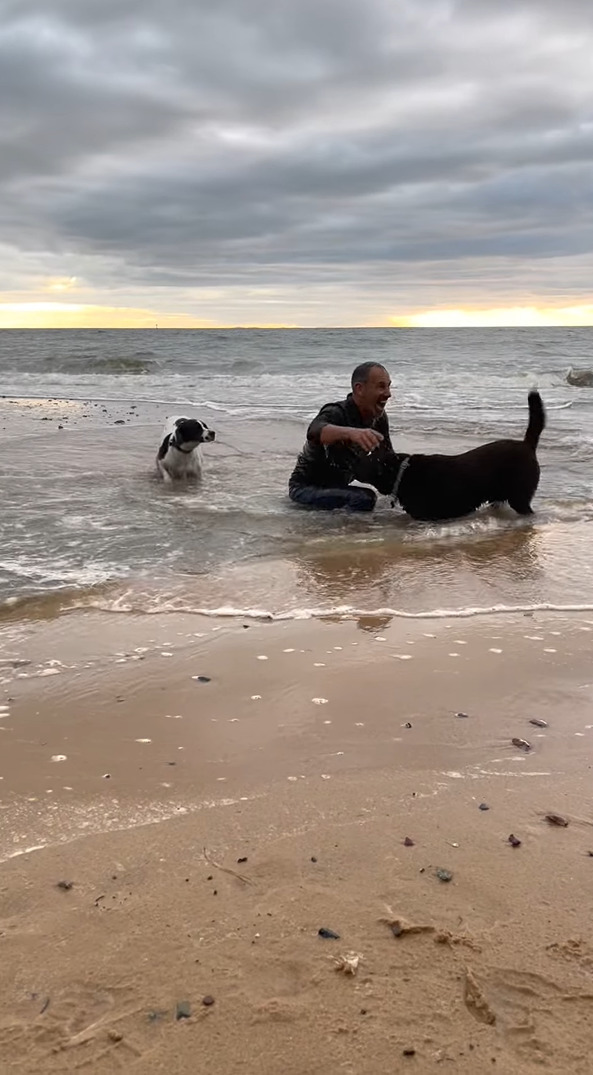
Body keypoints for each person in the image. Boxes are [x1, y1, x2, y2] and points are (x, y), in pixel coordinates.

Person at [289, 362, 394, 511]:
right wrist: (351, 433)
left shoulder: (379, 419)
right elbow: (314, 431)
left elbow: (388, 461)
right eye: (381, 386)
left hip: (339, 488)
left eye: (389, 386)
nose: (388, 393)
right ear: (360, 389)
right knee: (364, 498)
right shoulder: (336, 412)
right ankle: (346, 534)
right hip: (305, 488)